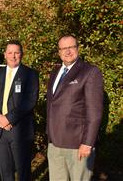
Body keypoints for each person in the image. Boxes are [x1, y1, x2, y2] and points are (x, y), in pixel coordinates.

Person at [46, 35, 104, 180]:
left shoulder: (90, 72)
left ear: (78, 48)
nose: (68, 51)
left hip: (77, 145)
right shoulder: (55, 72)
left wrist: (87, 143)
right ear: (59, 52)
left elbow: (94, 112)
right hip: (54, 144)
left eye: (71, 47)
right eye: (63, 48)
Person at [0, 40, 39, 181]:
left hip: (20, 130)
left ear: (22, 54)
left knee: (23, 173)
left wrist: (8, 118)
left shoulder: (31, 74)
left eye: (16, 52)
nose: (13, 56)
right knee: (5, 171)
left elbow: (29, 101)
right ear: (4, 55)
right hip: (0, 131)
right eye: (10, 52)